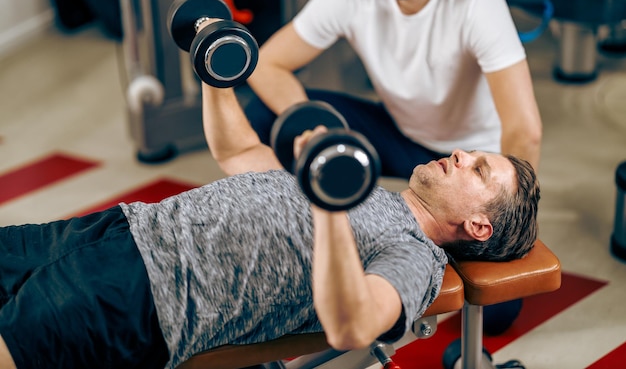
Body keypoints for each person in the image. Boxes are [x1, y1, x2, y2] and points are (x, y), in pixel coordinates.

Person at [0, 74, 539, 369]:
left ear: (479, 226)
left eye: (480, 168)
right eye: (473, 152)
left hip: (144, 296)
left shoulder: (414, 255)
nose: (463, 154)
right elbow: (240, 152)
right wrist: (216, 70)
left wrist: (329, 205)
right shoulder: (368, 190)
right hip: (119, 229)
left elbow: (355, 325)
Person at [244, 0, 543, 178]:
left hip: (468, 155)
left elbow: (524, 129)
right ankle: (293, 225)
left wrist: (513, 214)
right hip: (399, 135)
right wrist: (312, 126)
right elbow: (266, 64)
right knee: (264, 114)